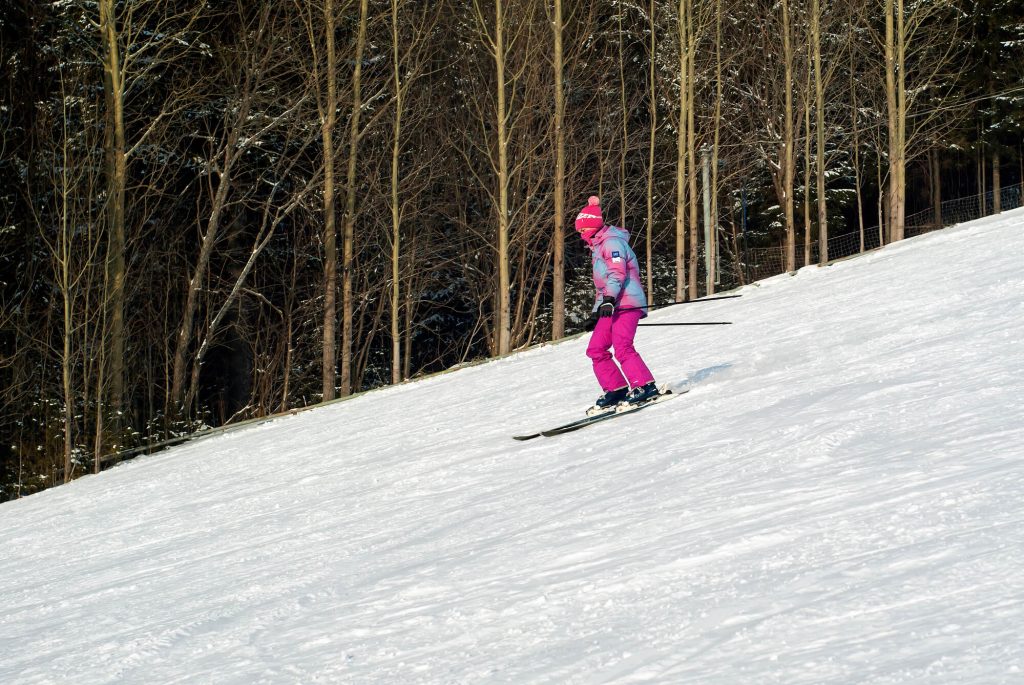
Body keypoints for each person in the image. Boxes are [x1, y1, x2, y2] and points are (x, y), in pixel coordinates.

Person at [574, 196, 659, 411]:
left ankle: (645, 386)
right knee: (596, 349)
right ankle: (616, 389)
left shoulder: (612, 242)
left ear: (591, 226)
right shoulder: (596, 248)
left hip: (627, 302)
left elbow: (617, 274)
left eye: (582, 229)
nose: (580, 234)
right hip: (611, 304)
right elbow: (602, 287)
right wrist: (596, 313)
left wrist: (610, 300)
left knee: (622, 345)